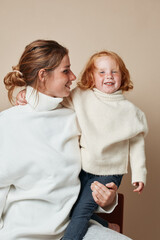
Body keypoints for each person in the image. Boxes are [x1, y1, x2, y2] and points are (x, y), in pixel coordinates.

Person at [0, 40, 132, 240]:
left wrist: (109, 201)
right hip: (21, 235)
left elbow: (98, 166)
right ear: (43, 75)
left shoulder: (76, 116)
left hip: (71, 230)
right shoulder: (8, 123)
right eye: (66, 71)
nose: (73, 76)